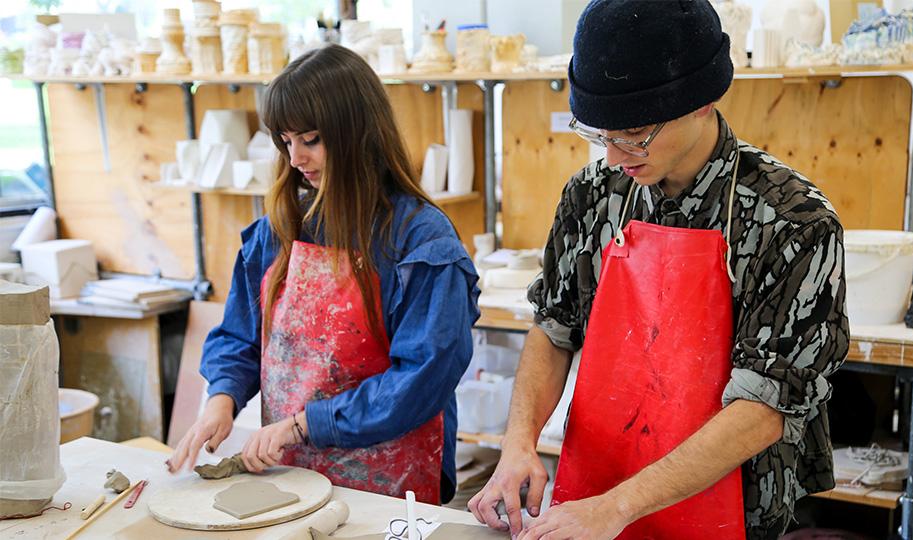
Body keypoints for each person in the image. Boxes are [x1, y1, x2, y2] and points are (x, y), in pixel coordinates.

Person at [468, 1, 849, 539]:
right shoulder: (593, 194)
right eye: (601, 135)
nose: (616, 157)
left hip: (731, 507)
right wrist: (518, 444)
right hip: (599, 488)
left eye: (636, 133)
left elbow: (764, 406)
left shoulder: (792, 221)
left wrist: (617, 508)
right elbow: (553, 328)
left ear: (703, 102)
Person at [167, 45, 481, 505]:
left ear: (359, 132)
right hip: (292, 475)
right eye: (286, 141)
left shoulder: (421, 242)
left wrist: (304, 424)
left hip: (389, 485)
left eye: (310, 139)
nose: (295, 159)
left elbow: (420, 378)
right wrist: (223, 399)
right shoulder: (280, 228)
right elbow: (239, 335)